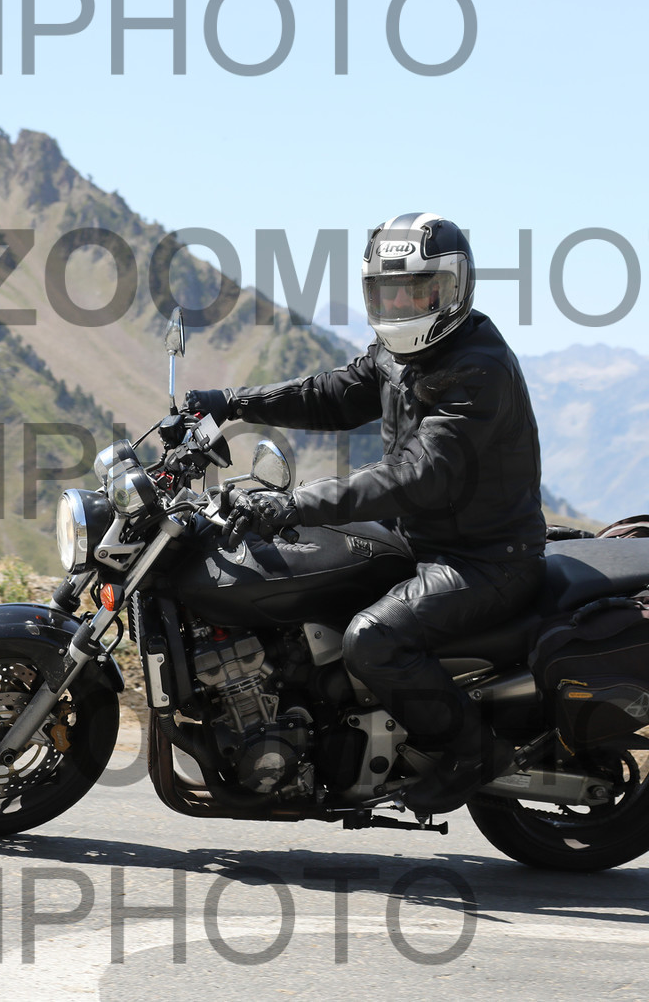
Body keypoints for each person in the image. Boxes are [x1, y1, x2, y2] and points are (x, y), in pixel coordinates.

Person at [185, 211, 546, 815]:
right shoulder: (397, 353)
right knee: (302, 578)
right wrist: (232, 403)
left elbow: (415, 476)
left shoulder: (476, 369)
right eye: (388, 292)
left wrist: (292, 503)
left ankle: (470, 753)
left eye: (417, 291)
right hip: (415, 537)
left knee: (374, 639)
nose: (401, 305)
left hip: (484, 558)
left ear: (454, 289)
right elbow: (332, 395)